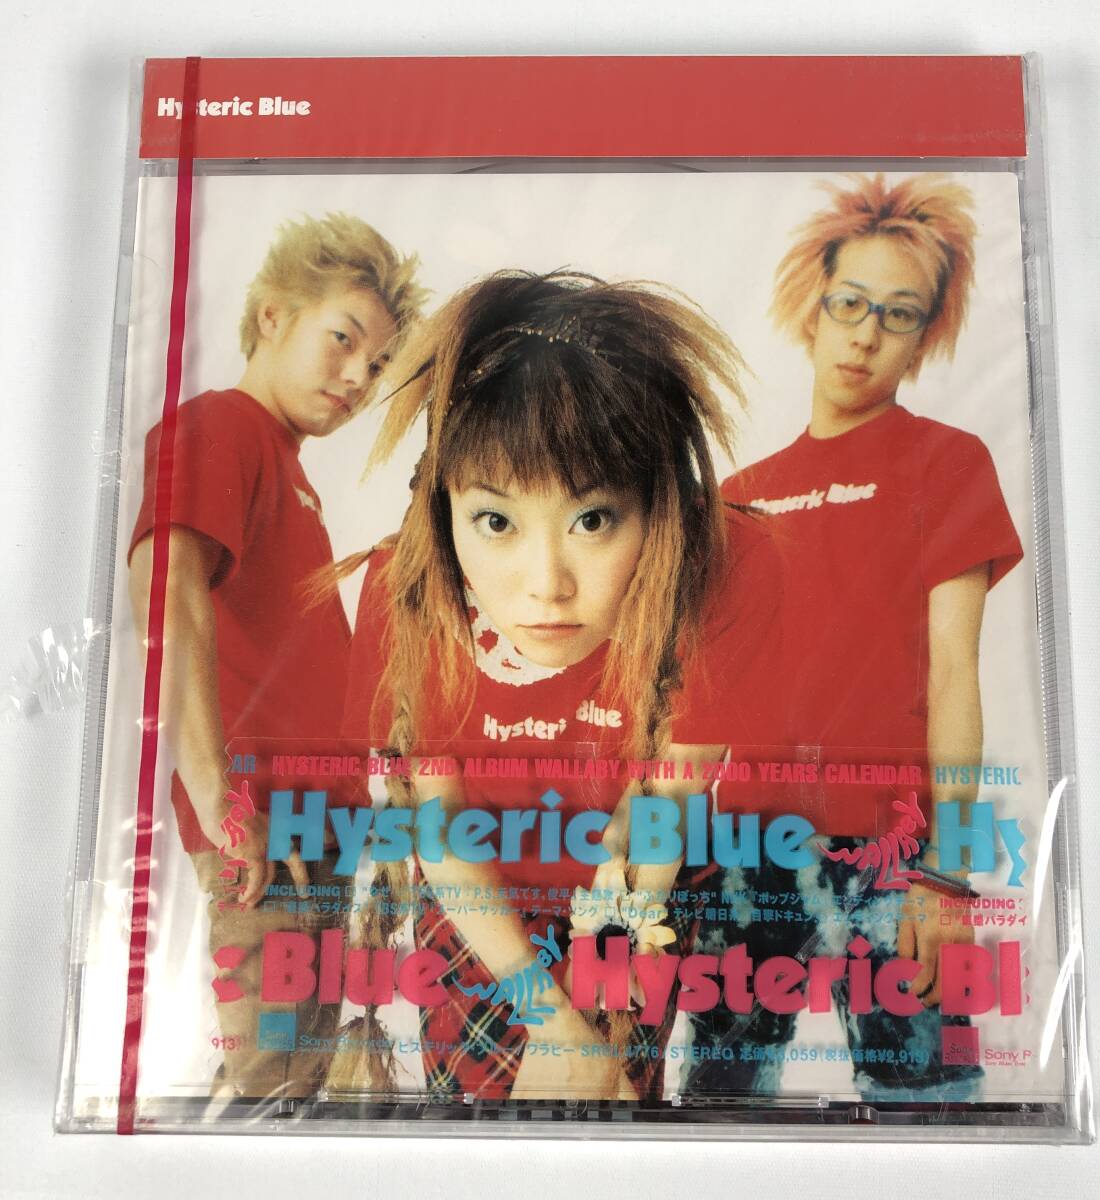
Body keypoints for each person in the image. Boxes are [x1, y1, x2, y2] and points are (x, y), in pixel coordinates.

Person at [340, 269, 799, 1103]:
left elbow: (666, 807)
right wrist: (546, 1014)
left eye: (593, 520)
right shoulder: (405, 589)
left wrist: (592, 1027)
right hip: (479, 886)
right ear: (444, 508)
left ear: (656, 506)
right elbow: (441, 833)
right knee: (476, 1119)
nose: (546, 585)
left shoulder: (726, 567)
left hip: (635, 878)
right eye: (496, 522)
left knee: (608, 1105)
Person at [683, 175, 1024, 1103]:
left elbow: (955, 676)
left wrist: (948, 877)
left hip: (896, 857)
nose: (867, 334)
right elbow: (702, 711)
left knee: (928, 1108)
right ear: (814, 304)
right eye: (850, 303)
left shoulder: (948, 463)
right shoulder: (740, 497)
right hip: (745, 852)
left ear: (925, 334)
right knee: (716, 1101)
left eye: (898, 314)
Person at [127, 213, 424, 1105]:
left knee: (294, 1084)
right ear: (272, 316)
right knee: (271, 1091)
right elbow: (166, 595)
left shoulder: (287, 467)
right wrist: (225, 807)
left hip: (314, 830)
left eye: (377, 364)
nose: (358, 377)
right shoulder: (223, 426)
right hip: (268, 834)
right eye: (344, 339)